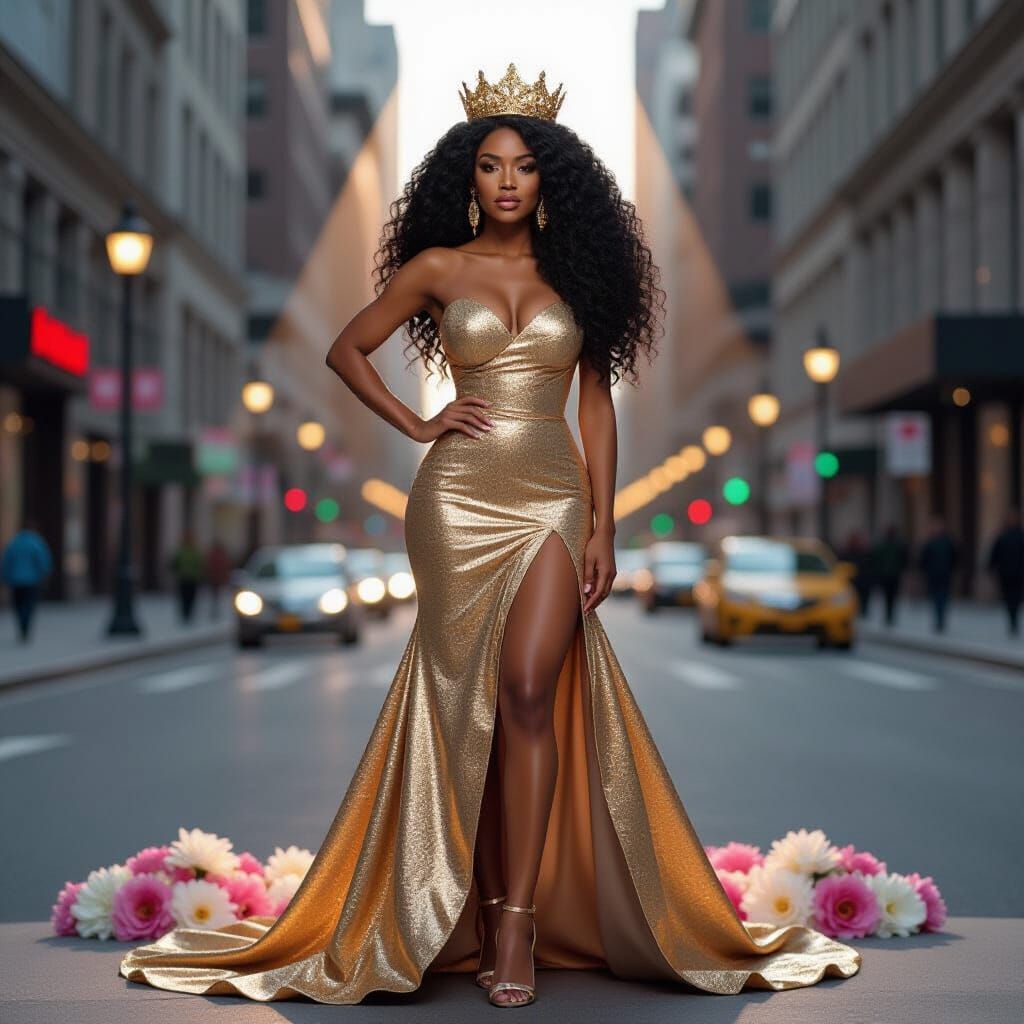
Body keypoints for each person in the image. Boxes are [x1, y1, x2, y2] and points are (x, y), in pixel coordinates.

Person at [119, 63, 861, 1006]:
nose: (506, 181)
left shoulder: (579, 274)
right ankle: (464, 908)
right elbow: (345, 348)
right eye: (487, 167)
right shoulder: (436, 269)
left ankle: (515, 922)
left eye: (523, 166)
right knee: (460, 698)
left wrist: (603, 522)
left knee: (526, 690)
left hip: (553, 496)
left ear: (551, 178)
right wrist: (415, 423)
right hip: (456, 498)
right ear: (464, 181)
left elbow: (598, 406)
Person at [1, 517, 53, 643]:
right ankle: (25, 627)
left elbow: (6, 562)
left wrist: (5, 577)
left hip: (16, 581)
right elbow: (43, 561)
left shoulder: (14, 543)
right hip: (32, 581)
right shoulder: (36, 542)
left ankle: (21, 626)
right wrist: (45, 574)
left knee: (18, 605)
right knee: (28, 605)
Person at [986, 507, 1024, 635]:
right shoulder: (1002, 537)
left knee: (1015, 597)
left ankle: (1013, 620)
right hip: (1007, 573)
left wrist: (990, 568)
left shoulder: (1020, 536)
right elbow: (994, 554)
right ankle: (1012, 620)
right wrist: (990, 568)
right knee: (1009, 598)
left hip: (1017, 573)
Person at [917, 516, 958, 633]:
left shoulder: (947, 542)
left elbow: (955, 557)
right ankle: (939, 619)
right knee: (937, 597)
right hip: (934, 575)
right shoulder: (931, 542)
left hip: (943, 574)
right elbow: (923, 559)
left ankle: (940, 619)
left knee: (942, 597)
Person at [872, 523, 908, 626]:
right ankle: (890, 615)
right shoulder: (897, 544)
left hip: (888, 574)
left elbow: (876, 559)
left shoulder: (889, 544)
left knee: (888, 596)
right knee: (891, 596)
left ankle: (889, 615)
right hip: (891, 574)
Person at [167, 530, 203, 624]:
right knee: (185, 597)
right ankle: (185, 615)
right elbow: (175, 563)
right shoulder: (184, 551)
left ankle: (187, 615)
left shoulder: (192, 551)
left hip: (191, 579)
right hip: (184, 578)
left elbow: (200, 564)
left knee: (189, 598)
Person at [838, 528, 874, 617]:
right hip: (851, 582)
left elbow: (870, 566)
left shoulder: (866, 552)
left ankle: (863, 613)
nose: (856, 542)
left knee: (864, 601)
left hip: (864, 581)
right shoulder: (845, 552)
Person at [204, 538, 232, 620]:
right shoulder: (219, 555)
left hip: (215, 578)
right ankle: (215, 611)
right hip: (215, 578)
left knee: (215, 596)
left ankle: (214, 611)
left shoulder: (213, 554)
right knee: (215, 596)